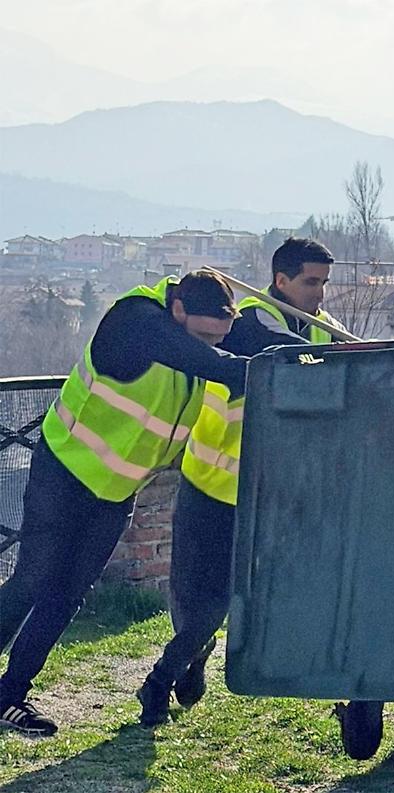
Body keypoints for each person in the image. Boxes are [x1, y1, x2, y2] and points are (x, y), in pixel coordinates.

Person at [0, 271, 245, 737]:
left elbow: (217, 361)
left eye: (220, 337)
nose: (211, 345)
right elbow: (214, 365)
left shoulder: (185, 333)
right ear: (178, 311)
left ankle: (9, 694)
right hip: (65, 471)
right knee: (33, 581)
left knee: (65, 595)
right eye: (205, 335)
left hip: (115, 490)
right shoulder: (136, 320)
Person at [137, 238, 346, 725]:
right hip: (211, 481)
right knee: (197, 600)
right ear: (281, 282)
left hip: (269, 493)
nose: (319, 294)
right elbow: (273, 353)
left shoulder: (321, 332)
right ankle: (189, 660)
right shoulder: (247, 320)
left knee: (223, 599)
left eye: (324, 284)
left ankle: (160, 680)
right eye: (311, 282)